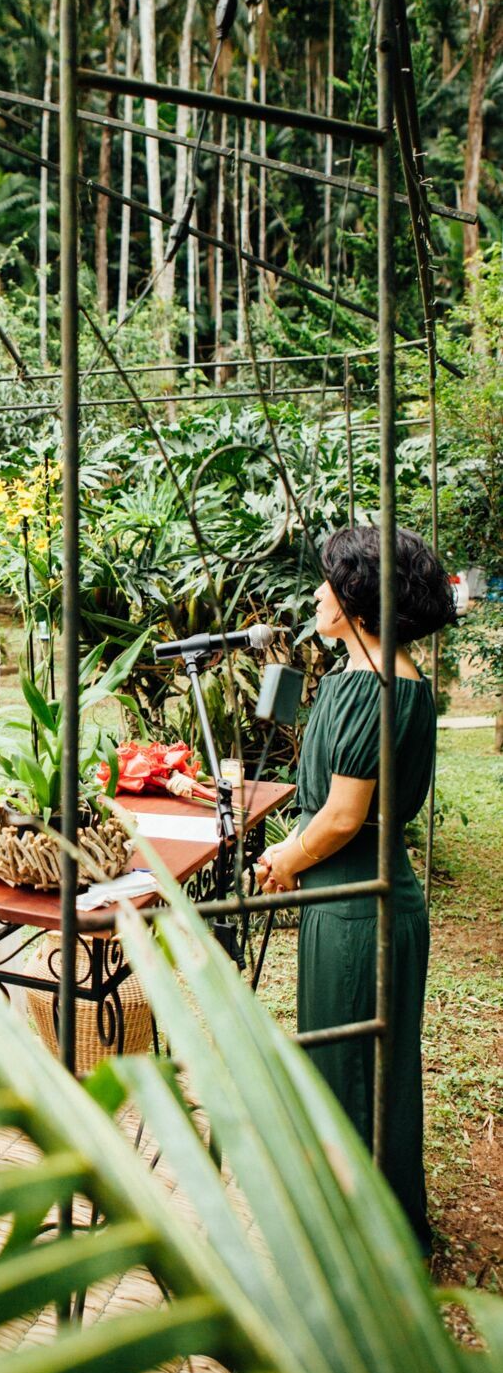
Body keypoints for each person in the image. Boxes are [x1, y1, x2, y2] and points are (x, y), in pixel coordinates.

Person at [257, 525, 457, 1255]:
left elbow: (343, 816)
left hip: (356, 910)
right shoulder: (379, 677)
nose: (316, 595)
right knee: (359, 1073)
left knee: (351, 1075)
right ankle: (366, 1231)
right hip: (352, 901)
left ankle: (361, 1246)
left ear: (359, 599)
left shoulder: (373, 688)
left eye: (328, 583)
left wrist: (285, 855)